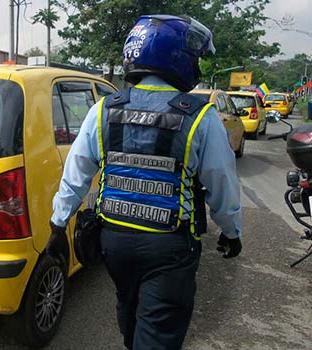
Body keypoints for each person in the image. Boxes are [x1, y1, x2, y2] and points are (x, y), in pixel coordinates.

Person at [47, 15, 242, 350]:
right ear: (176, 58)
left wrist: (57, 225)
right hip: (168, 247)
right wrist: (232, 230)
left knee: (129, 309)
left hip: (115, 241)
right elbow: (221, 183)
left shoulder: (103, 109)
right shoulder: (199, 115)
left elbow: (75, 174)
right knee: (158, 331)